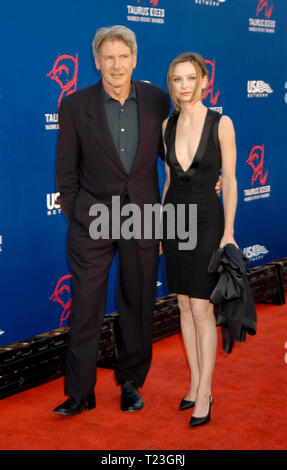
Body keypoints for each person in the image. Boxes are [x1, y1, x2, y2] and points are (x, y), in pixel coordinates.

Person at [54, 26, 221, 417]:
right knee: (86, 308)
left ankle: (131, 382)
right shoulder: (76, 106)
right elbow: (65, 173)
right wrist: (80, 215)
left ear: (134, 59)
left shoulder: (157, 100)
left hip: (143, 217)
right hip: (93, 219)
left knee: (138, 304)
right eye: (108, 58)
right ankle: (80, 392)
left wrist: (205, 179)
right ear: (97, 62)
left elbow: (182, 147)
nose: (116, 65)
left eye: (123, 56)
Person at [161, 52, 237, 427]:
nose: (184, 86)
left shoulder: (221, 124)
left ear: (205, 80)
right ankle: (194, 383)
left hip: (207, 220)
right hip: (175, 221)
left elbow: (233, 180)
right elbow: (170, 181)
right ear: (171, 84)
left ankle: (205, 391)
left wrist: (229, 233)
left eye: (191, 78)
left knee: (203, 308)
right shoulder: (167, 127)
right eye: (177, 79)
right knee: (184, 307)